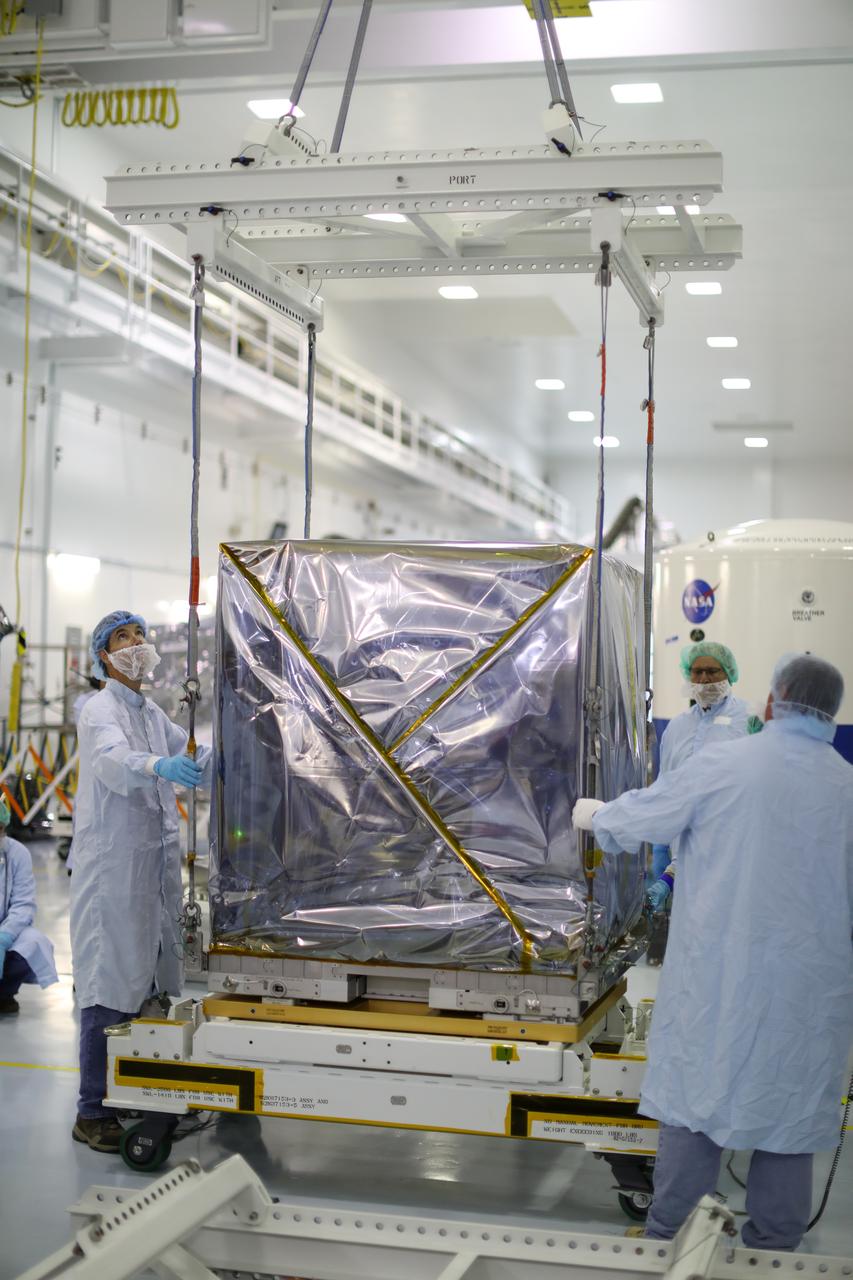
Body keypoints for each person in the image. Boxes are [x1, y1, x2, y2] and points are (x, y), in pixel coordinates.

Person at [572, 653, 853, 1251]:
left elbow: (648, 815)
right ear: (831, 711)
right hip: (808, 986)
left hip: (721, 971)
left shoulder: (726, 763)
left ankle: (669, 1235)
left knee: (699, 1094)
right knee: (789, 1107)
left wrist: (597, 817)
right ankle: (775, 1245)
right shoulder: (844, 784)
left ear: (772, 701)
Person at [70, 610, 210, 1154]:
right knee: (108, 987)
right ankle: (90, 1111)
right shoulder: (98, 709)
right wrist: (160, 767)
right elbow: (113, 761)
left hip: (149, 869)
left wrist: (217, 759)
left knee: (145, 980)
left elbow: (185, 750)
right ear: (104, 655)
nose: (136, 644)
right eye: (122, 638)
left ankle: (125, 1089)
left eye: (138, 635)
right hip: (112, 872)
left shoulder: (150, 711)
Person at [647, 641, 760, 910]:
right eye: (697, 672)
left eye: (713, 671)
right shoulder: (677, 727)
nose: (704, 679)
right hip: (682, 860)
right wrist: (660, 847)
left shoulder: (750, 721)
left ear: (729, 674)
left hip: (735, 855)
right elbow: (666, 787)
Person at [0, 796, 58, 1013]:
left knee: (34, 943)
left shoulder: (16, 853)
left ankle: (4, 994)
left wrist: (3, 938)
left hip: (7, 928)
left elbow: (24, 904)